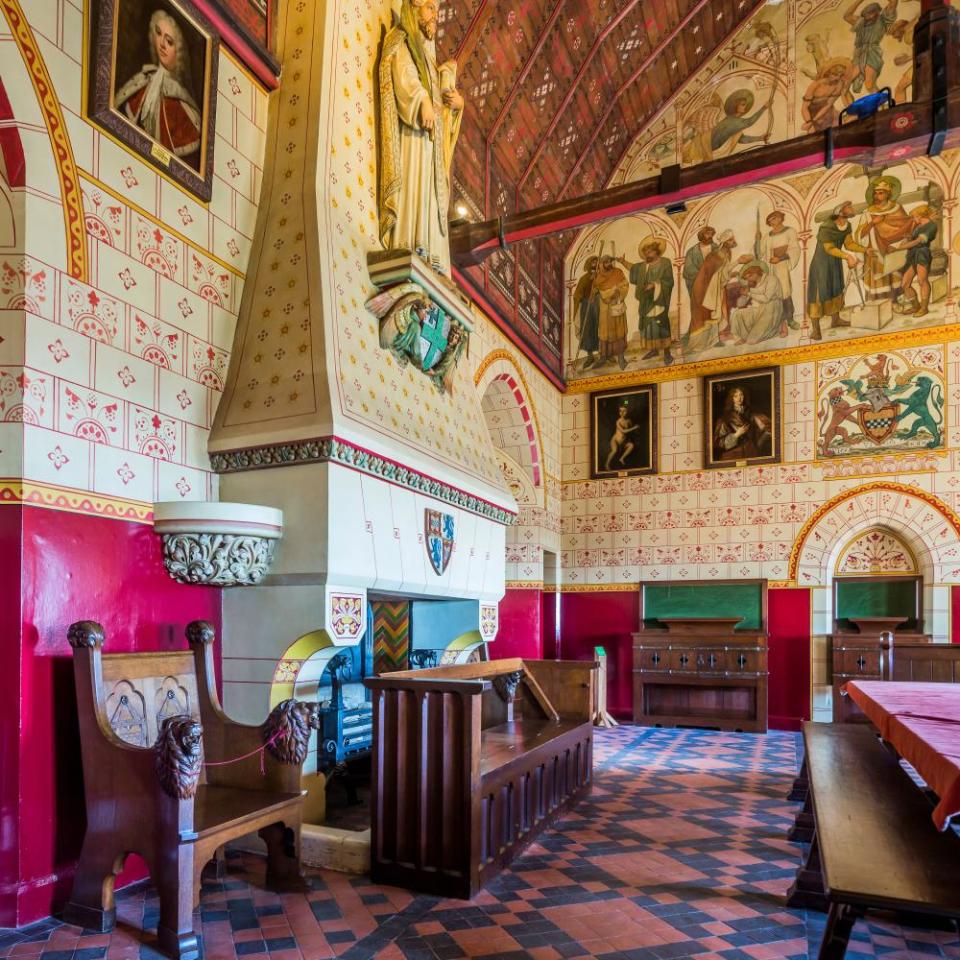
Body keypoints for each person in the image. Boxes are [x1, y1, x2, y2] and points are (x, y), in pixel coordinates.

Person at [378, 0, 464, 275]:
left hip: (430, 146)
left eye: (437, 11)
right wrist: (421, 99)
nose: (435, 16)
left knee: (429, 192)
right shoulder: (402, 38)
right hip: (413, 137)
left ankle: (429, 254)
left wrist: (456, 105)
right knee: (414, 185)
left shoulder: (429, 59)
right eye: (429, 8)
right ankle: (410, 243)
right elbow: (403, 75)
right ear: (413, 9)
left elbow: (442, 107)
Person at [114, 10, 202, 167]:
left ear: (179, 52)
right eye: (159, 34)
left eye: (169, 41)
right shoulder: (144, 78)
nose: (162, 44)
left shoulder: (181, 102)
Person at [807, 201, 870, 340]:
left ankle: (836, 320)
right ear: (841, 212)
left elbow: (849, 244)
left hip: (834, 262)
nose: (852, 209)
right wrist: (847, 257)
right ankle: (816, 330)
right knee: (818, 294)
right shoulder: (827, 227)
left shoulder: (847, 226)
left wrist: (865, 250)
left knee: (836, 289)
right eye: (849, 207)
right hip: (821, 264)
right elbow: (828, 248)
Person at [688, 230, 749, 353]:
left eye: (733, 239)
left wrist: (732, 273)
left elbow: (721, 274)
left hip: (715, 288)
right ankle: (699, 344)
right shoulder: (714, 256)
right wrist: (737, 262)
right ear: (725, 242)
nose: (733, 242)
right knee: (705, 315)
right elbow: (712, 274)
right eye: (731, 240)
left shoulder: (726, 254)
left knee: (716, 313)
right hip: (704, 290)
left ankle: (714, 340)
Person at [856, 175, 913, 300]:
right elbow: (860, 234)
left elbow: (904, 227)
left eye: (880, 193)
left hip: (893, 250)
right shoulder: (868, 213)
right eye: (875, 193)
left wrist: (902, 240)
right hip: (875, 253)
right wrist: (873, 223)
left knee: (894, 279)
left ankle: (895, 302)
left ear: (888, 194)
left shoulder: (897, 208)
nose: (877, 196)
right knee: (878, 281)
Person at [620, 237, 674, 365]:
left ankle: (667, 353)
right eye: (646, 253)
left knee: (661, 325)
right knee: (649, 326)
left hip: (660, 299)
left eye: (650, 252)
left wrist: (655, 285)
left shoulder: (665, 262)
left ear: (656, 251)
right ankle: (654, 349)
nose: (647, 255)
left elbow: (669, 280)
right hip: (646, 301)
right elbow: (633, 268)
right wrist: (622, 262)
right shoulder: (643, 266)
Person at [845, 0, 898, 94]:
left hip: (872, 54)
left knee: (869, 84)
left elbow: (893, 3)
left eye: (872, 13)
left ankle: (883, 106)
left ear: (877, 12)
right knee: (845, 83)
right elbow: (847, 16)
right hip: (858, 54)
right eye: (867, 14)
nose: (869, 16)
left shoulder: (882, 20)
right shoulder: (860, 22)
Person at [894, 204, 938, 317]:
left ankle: (924, 308)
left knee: (922, 280)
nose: (913, 219)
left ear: (920, 216)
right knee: (905, 284)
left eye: (914, 217)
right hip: (912, 255)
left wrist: (902, 246)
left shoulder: (931, 226)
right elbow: (911, 241)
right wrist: (908, 238)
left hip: (922, 253)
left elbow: (918, 241)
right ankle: (916, 306)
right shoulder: (917, 228)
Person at [760, 211, 800, 328]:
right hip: (770, 267)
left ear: (781, 218)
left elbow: (794, 249)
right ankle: (778, 321)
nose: (773, 221)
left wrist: (780, 258)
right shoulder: (767, 236)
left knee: (785, 290)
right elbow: (760, 252)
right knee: (773, 292)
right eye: (771, 219)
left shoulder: (790, 231)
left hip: (782, 265)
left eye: (775, 218)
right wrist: (757, 242)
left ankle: (790, 319)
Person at [712, 386, 772, 463]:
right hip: (732, 456)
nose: (739, 398)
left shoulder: (752, 414)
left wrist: (759, 443)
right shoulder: (724, 418)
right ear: (732, 398)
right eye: (736, 396)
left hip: (751, 454)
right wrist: (736, 435)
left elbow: (767, 429)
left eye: (741, 395)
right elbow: (717, 443)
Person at [729, 262, 784, 345]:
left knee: (751, 341)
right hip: (761, 309)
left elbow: (766, 298)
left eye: (749, 277)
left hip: (772, 309)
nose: (749, 280)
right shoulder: (758, 282)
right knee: (738, 314)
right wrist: (748, 291)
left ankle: (778, 328)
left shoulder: (772, 279)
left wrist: (749, 293)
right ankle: (739, 338)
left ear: (755, 273)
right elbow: (759, 290)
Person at [710, 90, 771, 158]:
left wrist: (760, 138)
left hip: (712, 149)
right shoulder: (732, 120)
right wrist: (764, 108)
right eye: (742, 104)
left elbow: (742, 139)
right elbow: (750, 122)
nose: (745, 106)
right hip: (709, 146)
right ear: (736, 106)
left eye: (745, 104)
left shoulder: (735, 123)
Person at [594, 256, 629, 370]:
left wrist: (618, 292)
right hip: (605, 309)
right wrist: (610, 293)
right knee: (605, 332)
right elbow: (600, 291)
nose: (608, 264)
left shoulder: (618, 272)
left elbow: (625, 285)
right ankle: (604, 357)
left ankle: (621, 358)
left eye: (610, 262)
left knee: (619, 331)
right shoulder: (598, 277)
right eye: (606, 262)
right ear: (602, 264)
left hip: (617, 305)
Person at [801, 58, 855, 133]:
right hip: (811, 114)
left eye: (840, 75)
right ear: (829, 73)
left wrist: (814, 121)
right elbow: (805, 107)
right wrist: (809, 122)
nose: (837, 78)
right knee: (812, 133)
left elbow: (828, 105)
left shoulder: (839, 84)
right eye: (835, 74)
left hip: (828, 114)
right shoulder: (816, 85)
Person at [574, 257, 601, 370]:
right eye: (592, 262)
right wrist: (582, 298)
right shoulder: (584, 278)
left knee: (600, 328)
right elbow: (577, 294)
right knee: (588, 330)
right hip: (587, 307)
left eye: (596, 262)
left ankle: (604, 354)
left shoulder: (601, 276)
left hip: (599, 305)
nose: (594, 264)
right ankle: (590, 356)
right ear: (589, 264)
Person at [682, 227, 717, 301]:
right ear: (701, 235)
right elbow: (688, 270)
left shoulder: (716, 248)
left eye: (711, 234)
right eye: (708, 234)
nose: (710, 236)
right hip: (699, 284)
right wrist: (703, 276)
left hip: (714, 283)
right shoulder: (692, 252)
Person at [605, 402, 642, 470]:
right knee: (614, 450)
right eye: (620, 411)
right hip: (616, 440)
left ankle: (622, 458)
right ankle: (607, 464)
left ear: (628, 411)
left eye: (624, 411)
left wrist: (636, 430)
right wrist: (634, 428)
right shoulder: (618, 421)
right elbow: (624, 431)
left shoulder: (629, 421)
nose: (622, 413)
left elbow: (632, 430)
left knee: (631, 445)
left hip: (624, 441)